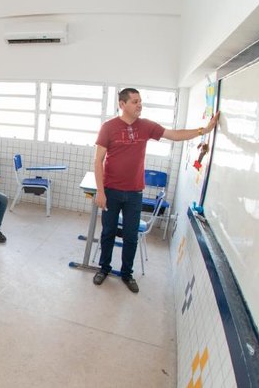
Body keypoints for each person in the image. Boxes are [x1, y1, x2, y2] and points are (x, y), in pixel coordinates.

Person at [92, 88, 219, 293]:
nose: (139, 105)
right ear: (122, 104)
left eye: (140, 101)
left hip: (134, 193)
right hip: (112, 190)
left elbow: (174, 135)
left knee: (131, 236)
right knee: (108, 232)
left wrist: (203, 131)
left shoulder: (146, 126)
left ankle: (127, 273)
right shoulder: (108, 127)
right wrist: (100, 191)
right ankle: (104, 268)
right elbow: (98, 160)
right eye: (134, 102)